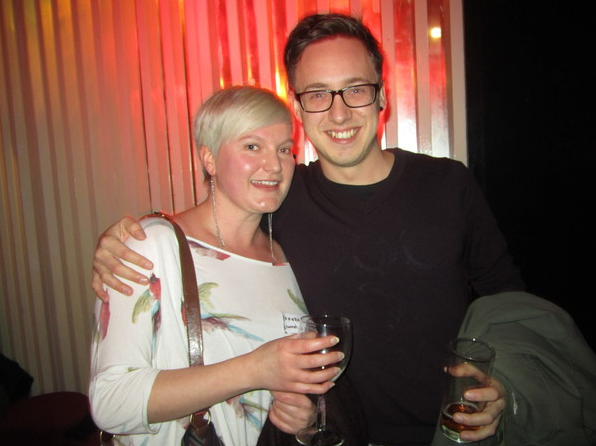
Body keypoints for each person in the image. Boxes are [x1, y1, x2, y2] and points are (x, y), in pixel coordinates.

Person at [90, 14, 525, 445]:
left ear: (381, 96)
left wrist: (505, 385)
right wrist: (133, 234)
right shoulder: (282, 198)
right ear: (298, 108)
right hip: (343, 435)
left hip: (452, 434)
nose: (339, 113)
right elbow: (213, 219)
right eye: (318, 94)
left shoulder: (447, 184)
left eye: (355, 89)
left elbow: (511, 306)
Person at [88, 86, 345, 446]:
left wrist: (299, 414)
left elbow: (274, 386)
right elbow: (111, 402)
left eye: (284, 149)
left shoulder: (285, 258)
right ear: (209, 159)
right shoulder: (152, 245)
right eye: (252, 146)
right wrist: (254, 369)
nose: (274, 165)